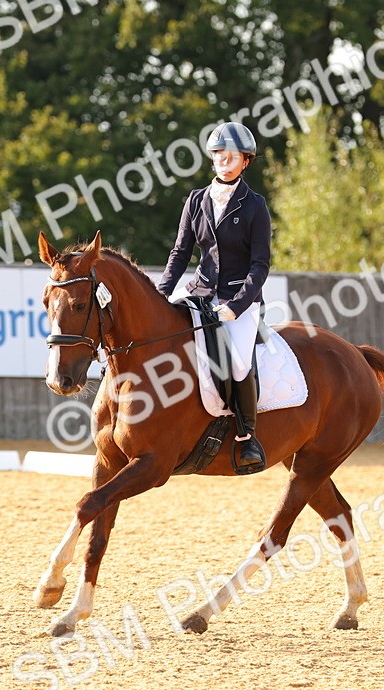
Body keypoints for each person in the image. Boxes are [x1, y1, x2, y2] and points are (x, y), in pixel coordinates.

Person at [156, 122, 271, 475]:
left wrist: (236, 306)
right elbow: (180, 252)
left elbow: (260, 265)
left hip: (240, 301)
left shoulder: (255, 206)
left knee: (237, 363)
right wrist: (162, 293)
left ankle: (247, 436)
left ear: (245, 161)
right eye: (219, 154)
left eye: (231, 155)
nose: (224, 159)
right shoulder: (196, 200)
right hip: (201, 293)